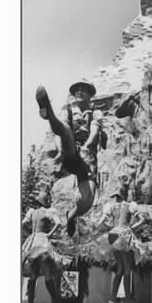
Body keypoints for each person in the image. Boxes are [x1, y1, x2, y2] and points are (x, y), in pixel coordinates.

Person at [35, 79, 105, 237]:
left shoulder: (95, 112)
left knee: (86, 201)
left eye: (83, 90)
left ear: (90, 95)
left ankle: (71, 215)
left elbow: (94, 133)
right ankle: (48, 113)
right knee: (65, 130)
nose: (79, 92)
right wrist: (60, 150)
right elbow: (60, 134)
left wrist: (87, 147)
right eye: (77, 90)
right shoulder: (68, 109)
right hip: (71, 151)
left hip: (87, 160)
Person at [96, 190, 147, 303]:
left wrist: (111, 228)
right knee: (127, 268)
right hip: (124, 235)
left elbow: (99, 223)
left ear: (115, 196)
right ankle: (128, 300)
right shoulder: (130, 205)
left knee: (120, 268)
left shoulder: (110, 206)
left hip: (113, 235)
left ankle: (112, 299)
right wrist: (131, 227)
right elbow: (142, 220)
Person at [21, 192, 68, 303]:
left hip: (32, 242)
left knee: (33, 274)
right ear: (46, 201)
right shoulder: (49, 211)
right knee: (48, 273)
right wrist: (49, 234)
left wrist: (29, 235)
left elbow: (22, 224)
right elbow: (58, 223)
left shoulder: (32, 212)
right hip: (42, 242)